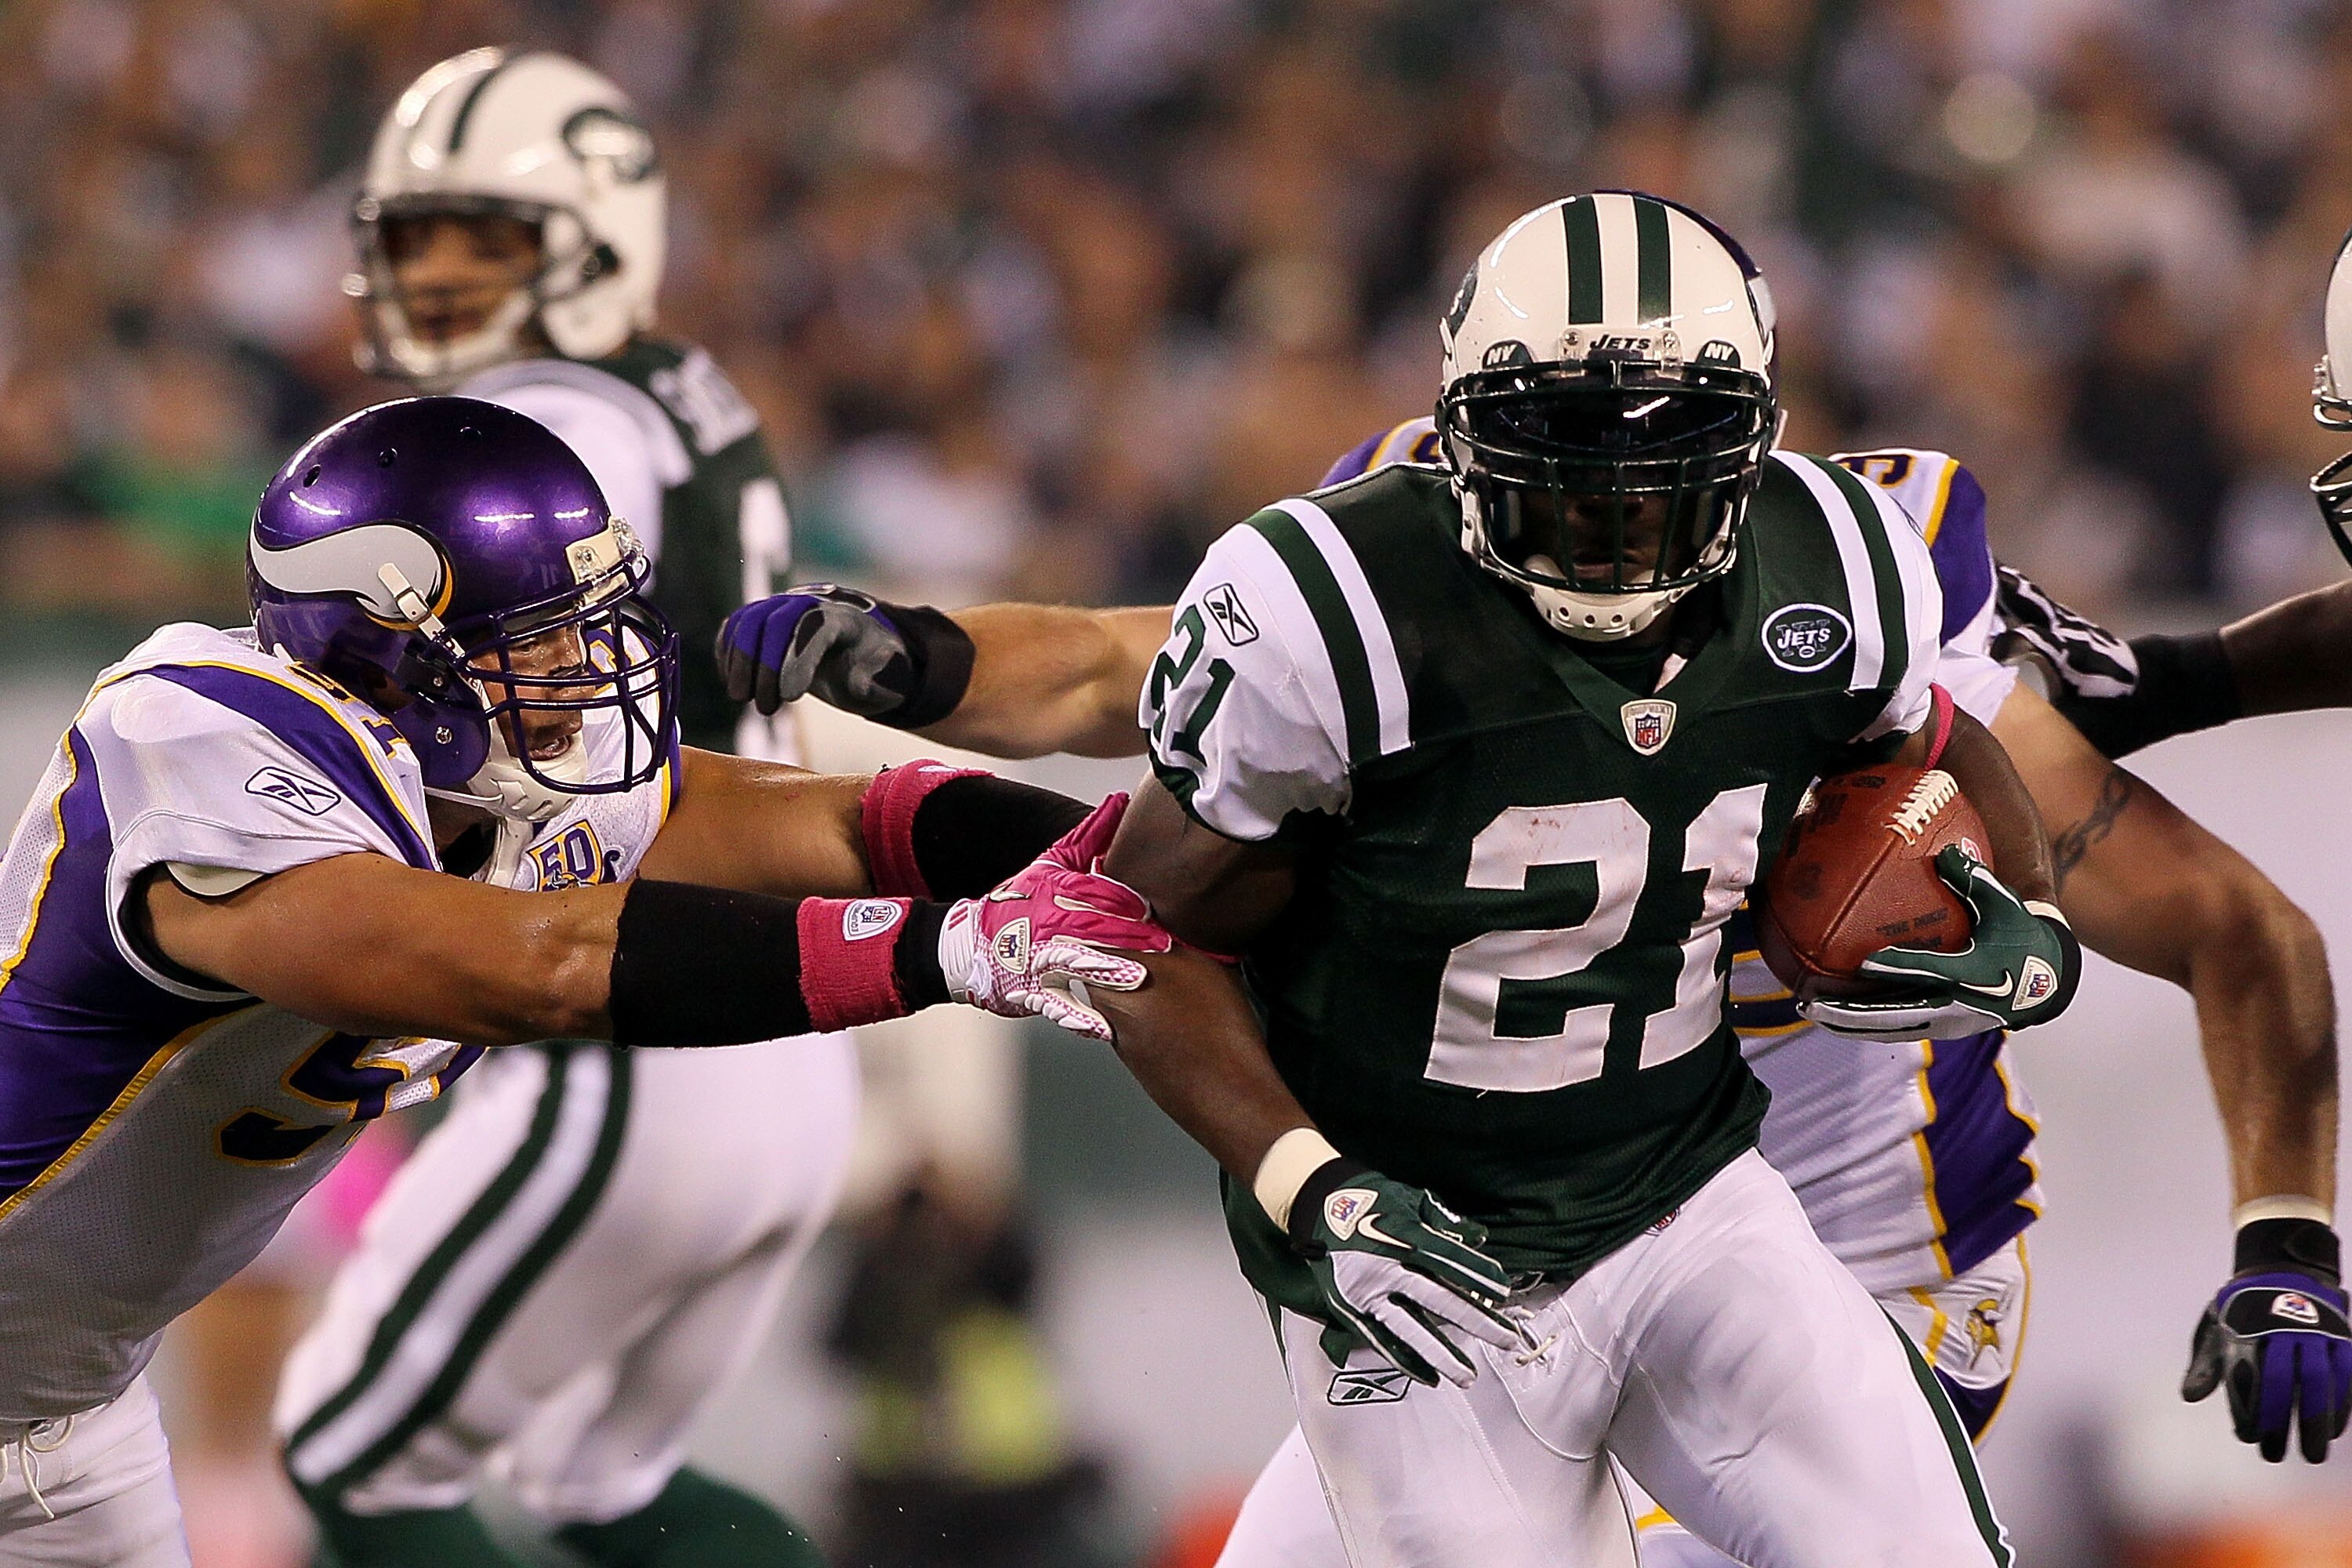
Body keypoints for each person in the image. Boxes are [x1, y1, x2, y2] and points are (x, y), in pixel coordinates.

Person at [735, 227, 2352, 1510]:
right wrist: (916, 653)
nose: (1603, 552)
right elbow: (1113, 662)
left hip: (1854, 1257)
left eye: (1643, 506)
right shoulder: (1384, 609)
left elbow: (2224, 920)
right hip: (1506, 1248)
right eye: (1555, 505)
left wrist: (2281, 1221)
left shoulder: (1848, 605)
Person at [0, 394, 1191, 1568]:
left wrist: (1142, 871)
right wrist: (954, 953)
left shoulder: (491, 775)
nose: (583, 667)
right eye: (539, 635)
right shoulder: (198, 747)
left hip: (71, 1419)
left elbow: (841, 826)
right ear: (392, 646)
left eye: (591, 622)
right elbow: (539, 968)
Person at [270, 49, 862, 1568]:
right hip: (783, 1051)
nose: (445, 271)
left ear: (598, 231)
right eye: (417, 237)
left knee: (354, 1458)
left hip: (629, 1025)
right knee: (604, 1488)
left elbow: (500, 725)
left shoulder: (545, 423)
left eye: (489, 235)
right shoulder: (678, 390)